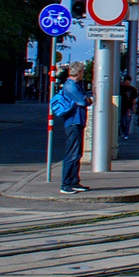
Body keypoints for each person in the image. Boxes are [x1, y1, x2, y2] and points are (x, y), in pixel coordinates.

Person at [51, 66, 88, 194]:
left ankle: (74, 182)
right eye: (82, 72)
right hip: (73, 122)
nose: (83, 74)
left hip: (77, 121)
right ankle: (66, 184)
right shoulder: (71, 86)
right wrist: (88, 100)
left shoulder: (74, 85)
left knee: (76, 153)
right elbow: (83, 101)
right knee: (72, 153)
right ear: (78, 72)